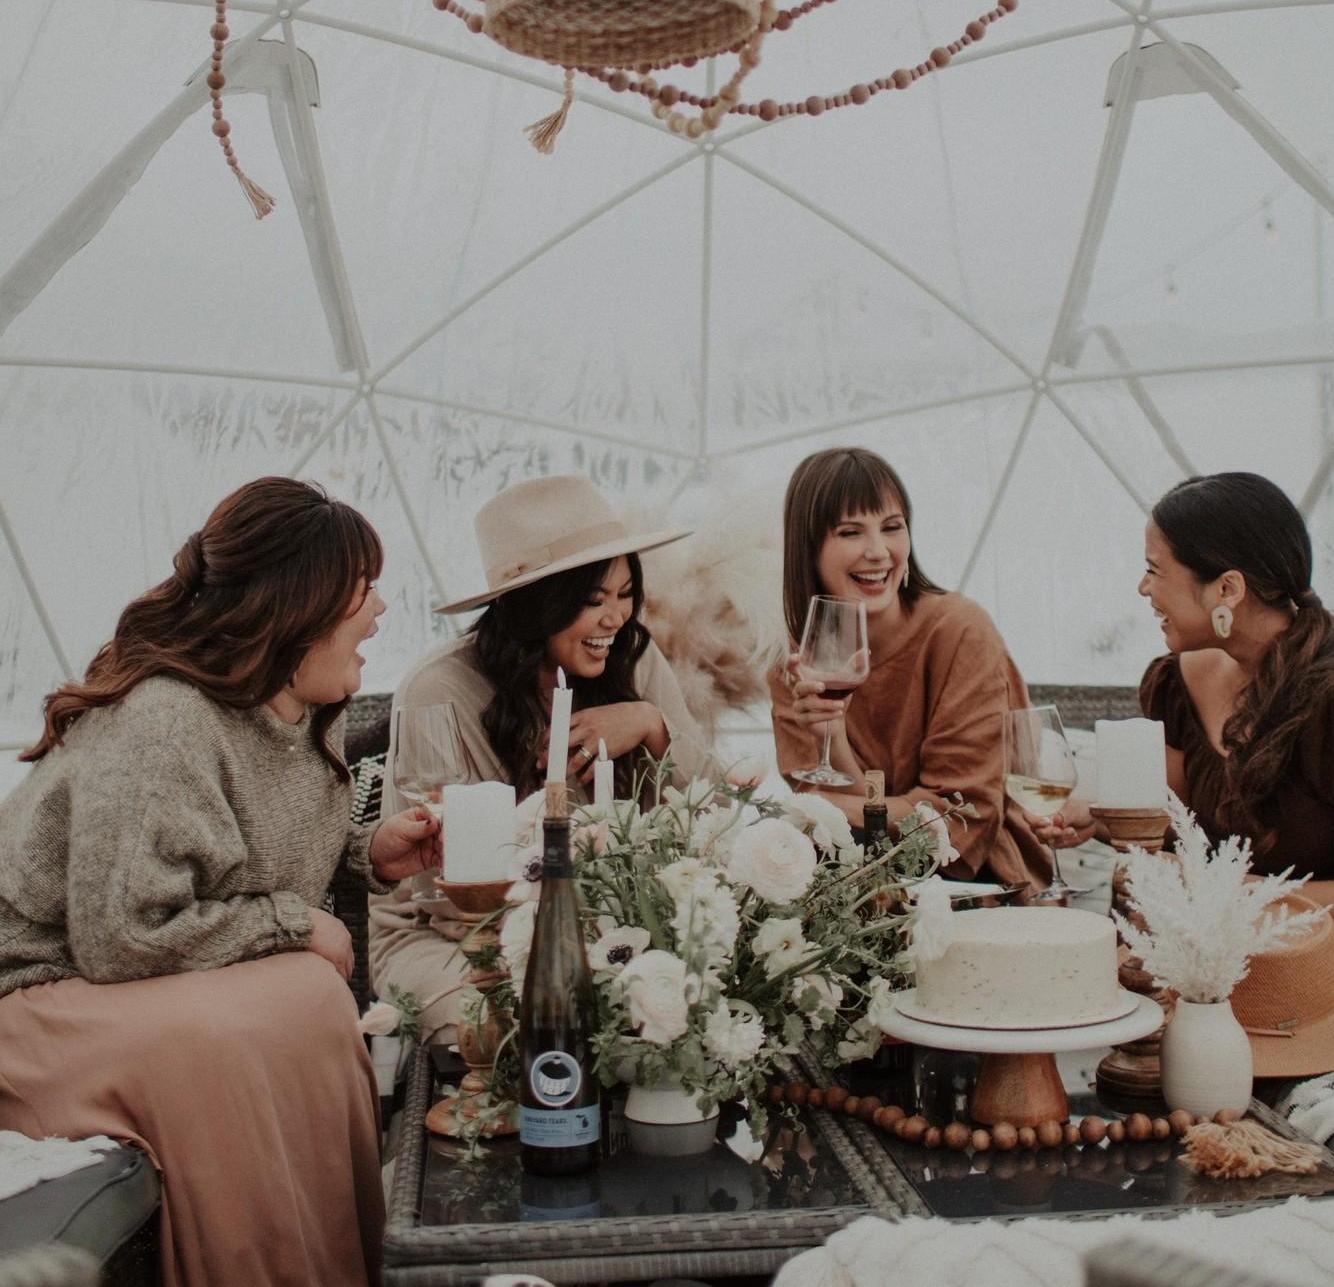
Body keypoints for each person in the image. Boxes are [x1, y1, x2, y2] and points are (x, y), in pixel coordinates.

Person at [0, 477, 441, 1287]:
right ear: (298, 606)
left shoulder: (295, 716)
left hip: (118, 977)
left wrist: (367, 853)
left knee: (306, 999)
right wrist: (291, 925)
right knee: (278, 1006)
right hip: (35, 995)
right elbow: (121, 934)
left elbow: (236, 858)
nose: (378, 610)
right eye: (360, 589)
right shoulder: (161, 720)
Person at [1050, 471, 1334, 993]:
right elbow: (1171, 822)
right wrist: (1097, 815)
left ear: (1227, 589)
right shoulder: (1182, 679)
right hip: (1237, 960)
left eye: (1154, 570)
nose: (1143, 588)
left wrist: (1216, 892)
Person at [369, 474, 709, 1040]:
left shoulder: (635, 660)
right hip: (455, 940)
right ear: (533, 606)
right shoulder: (440, 690)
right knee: (534, 1022)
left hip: (610, 929)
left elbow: (711, 803)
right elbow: (440, 889)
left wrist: (653, 727)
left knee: (684, 1004)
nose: (616, 618)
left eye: (626, 594)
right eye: (592, 600)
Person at [768, 447, 1050, 890]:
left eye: (892, 528)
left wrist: (827, 805)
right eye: (850, 532)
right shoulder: (796, 660)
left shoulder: (959, 632)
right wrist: (833, 739)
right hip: (859, 889)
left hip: (981, 889)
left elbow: (959, 817)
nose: (878, 552)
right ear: (808, 546)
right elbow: (848, 830)